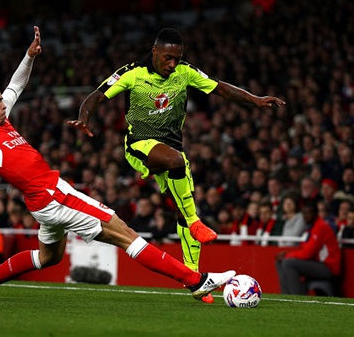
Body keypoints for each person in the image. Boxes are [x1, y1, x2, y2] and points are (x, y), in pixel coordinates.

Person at [0, 26, 235, 301]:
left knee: (49, 257)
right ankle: (197, 280)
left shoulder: (0, 119)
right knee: (124, 233)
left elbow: (16, 86)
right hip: (53, 195)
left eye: (3, 102)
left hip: (41, 204)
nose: (5, 105)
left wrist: (29, 57)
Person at [67, 27, 285, 295]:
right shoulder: (132, 73)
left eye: (177, 59)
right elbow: (97, 95)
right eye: (167, 58)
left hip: (171, 151)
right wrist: (84, 117)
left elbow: (220, 88)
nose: (172, 64)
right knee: (178, 165)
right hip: (139, 147)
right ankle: (194, 221)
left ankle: (195, 279)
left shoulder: (186, 72)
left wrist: (255, 99)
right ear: (154, 51)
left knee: (182, 208)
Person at [275, 201, 342, 296]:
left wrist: (287, 256)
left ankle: (298, 298)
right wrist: (287, 256)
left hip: (328, 267)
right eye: (304, 214)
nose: (306, 216)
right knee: (280, 262)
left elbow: (308, 253)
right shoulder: (311, 227)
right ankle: (285, 296)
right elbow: (305, 249)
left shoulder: (320, 227)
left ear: (315, 213)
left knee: (288, 262)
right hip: (317, 263)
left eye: (309, 213)